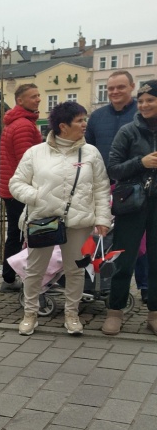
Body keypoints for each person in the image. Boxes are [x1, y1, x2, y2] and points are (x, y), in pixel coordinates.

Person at [11, 101, 111, 336]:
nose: (85, 124)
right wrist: (36, 196)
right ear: (63, 126)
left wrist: (103, 219)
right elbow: (16, 183)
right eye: (79, 120)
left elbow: (101, 187)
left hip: (79, 222)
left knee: (75, 270)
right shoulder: (35, 153)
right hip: (43, 219)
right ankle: (30, 314)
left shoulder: (91, 153)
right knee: (35, 270)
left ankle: (72, 315)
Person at [102, 83, 157, 336]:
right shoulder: (128, 131)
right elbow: (113, 168)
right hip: (131, 205)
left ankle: (154, 314)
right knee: (123, 260)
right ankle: (115, 311)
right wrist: (141, 162)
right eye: (142, 100)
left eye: (150, 100)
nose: (145, 105)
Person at [87, 70, 146, 301]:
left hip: (136, 186)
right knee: (104, 238)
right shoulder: (97, 116)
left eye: (120, 87)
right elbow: (89, 149)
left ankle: (145, 288)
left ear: (132, 87)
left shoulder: (142, 114)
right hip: (103, 185)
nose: (114, 92)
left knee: (141, 240)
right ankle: (103, 285)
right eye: (110, 88)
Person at [0, 83, 42, 293]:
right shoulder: (24, 125)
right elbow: (29, 161)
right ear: (20, 101)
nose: (38, 99)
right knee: (20, 233)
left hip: (12, 188)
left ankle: (9, 275)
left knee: (15, 233)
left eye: (38, 95)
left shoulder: (14, 122)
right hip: (20, 190)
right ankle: (10, 276)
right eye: (33, 97)